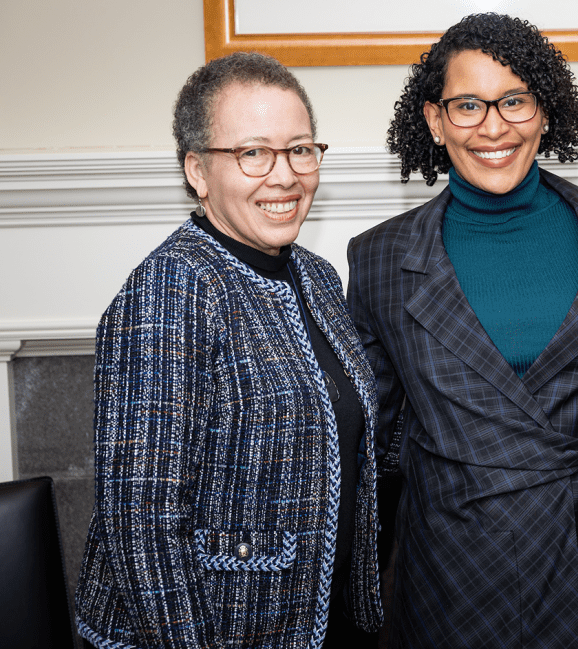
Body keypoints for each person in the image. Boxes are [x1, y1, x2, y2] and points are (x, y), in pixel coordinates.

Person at [347, 12, 578, 649]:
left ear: (544, 110)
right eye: (467, 105)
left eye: (514, 100)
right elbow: (374, 443)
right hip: (456, 570)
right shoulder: (379, 258)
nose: (493, 126)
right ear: (434, 120)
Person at [74, 52, 383, 649]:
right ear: (197, 170)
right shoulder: (169, 292)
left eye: (300, 149)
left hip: (321, 625)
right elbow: (141, 527)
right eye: (253, 153)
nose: (286, 175)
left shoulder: (316, 277)